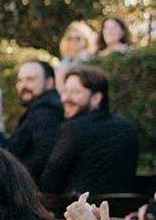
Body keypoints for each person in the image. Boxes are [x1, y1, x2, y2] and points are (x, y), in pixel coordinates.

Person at [40, 65, 139, 196]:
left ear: (96, 98)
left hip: (81, 211)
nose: (65, 98)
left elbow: (50, 182)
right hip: (122, 210)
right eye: (65, 91)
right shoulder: (127, 127)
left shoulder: (73, 129)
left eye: (75, 92)